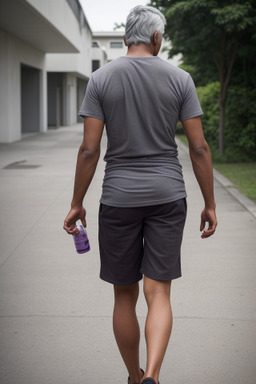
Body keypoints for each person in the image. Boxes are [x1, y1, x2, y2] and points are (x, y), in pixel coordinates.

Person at [63, 5, 217, 384]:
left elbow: (89, 149)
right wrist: (210, 203)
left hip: (118, 198)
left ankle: (133, 376)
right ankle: (154, 374)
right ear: (155, 37)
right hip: (168, 195)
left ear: (129, 34)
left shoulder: (101, 79)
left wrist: (76, 202)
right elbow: (199, 149)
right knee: (158, 292)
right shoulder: (180, 78)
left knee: (124, 296)